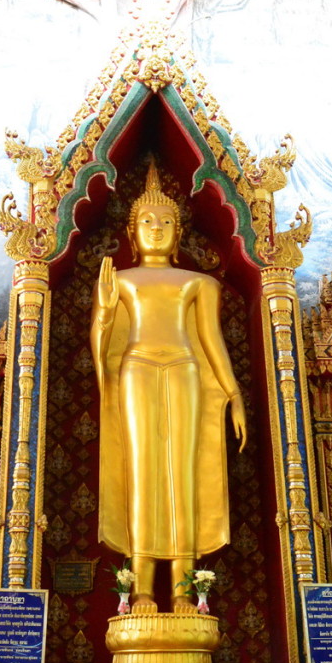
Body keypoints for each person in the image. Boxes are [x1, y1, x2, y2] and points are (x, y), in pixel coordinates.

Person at [92, 159, 246, 613]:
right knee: (142, 470)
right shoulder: (119, 282)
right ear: (131, 230)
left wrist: (234, 394)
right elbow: (102, 348)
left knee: (181, 472)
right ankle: (140, 589)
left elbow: (212, 343)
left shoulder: (199, 283)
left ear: (177, 232)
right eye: (145, 221)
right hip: (136, 369)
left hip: (184, 369)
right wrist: (102, 311)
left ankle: (183, 592)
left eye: (165, 222)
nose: (155, 228)